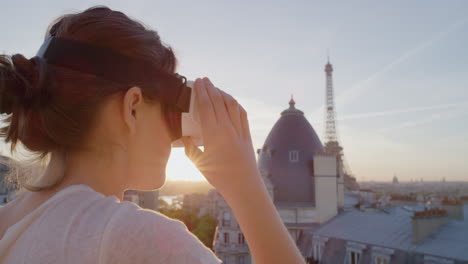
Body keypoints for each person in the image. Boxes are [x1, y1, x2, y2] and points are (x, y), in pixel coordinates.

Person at [0, 6, 305, 264]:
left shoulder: (7, 223)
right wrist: (246, 186)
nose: (175, 139)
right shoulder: (131, 238)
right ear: (133, 107)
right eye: (171, 112)